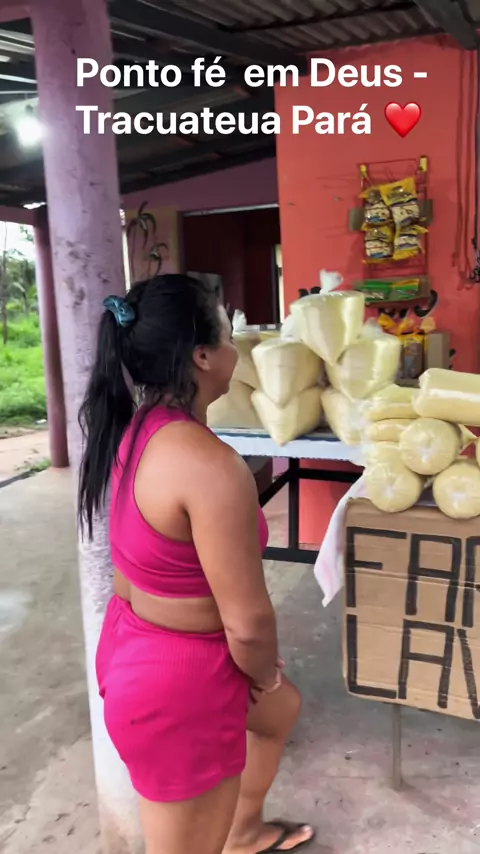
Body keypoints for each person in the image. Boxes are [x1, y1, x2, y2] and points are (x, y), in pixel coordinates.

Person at [78, 274, 314, 854]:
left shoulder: (137, 426)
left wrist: (262, 678)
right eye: (229, 334)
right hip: (176, 683)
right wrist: (260, 671)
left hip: (135, 644)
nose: (236, 348)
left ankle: (244, 830)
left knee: (280, 711)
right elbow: (249, 626)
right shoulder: (210, 466)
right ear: (203, 356)